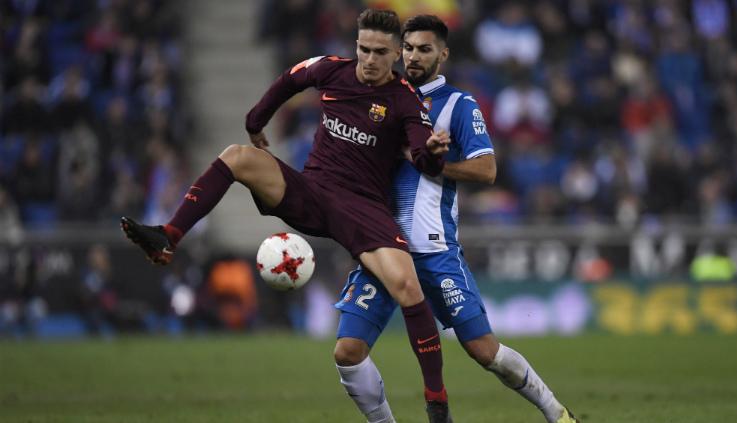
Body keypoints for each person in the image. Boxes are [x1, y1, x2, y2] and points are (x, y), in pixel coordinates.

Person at [120, 9, 454, 422]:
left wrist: (435, 157)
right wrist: (255, 120)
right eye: (363, 49)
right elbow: (290, 80)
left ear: (396, 56)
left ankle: (437, 402)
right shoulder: (333, 70)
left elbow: (422, 151)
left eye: (380, 52)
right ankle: (169, 236)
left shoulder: (405, 99)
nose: (369, 59)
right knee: (237, 157)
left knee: (407, 286)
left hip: (363, 208)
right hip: (311, 191)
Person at [333, 15, 580, 423]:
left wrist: (434, 164)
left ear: (442, 55)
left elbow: (486, 170)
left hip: (434, 250)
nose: (413, 56)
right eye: (408, 47)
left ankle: (557, 413)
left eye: (423, 49)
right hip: (382, 246)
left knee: (485, 351)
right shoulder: (379, 98)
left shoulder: (459, 105)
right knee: (347, 351)